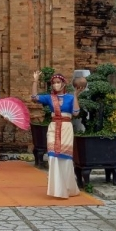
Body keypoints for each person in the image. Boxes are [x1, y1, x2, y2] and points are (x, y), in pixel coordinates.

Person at [31, 71, 85, 199]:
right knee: (53, 156)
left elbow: (76, 113)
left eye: (58, 82)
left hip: (66, 128)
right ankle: (56, 189)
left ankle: (67, 187)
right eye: (54, 83)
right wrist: (35, 80)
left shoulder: (70, 97)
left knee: (65, 157)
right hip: (53, 127)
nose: (55, 85)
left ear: (63, 83)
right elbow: (34, 98)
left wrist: (76, 96)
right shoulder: (50, 97)